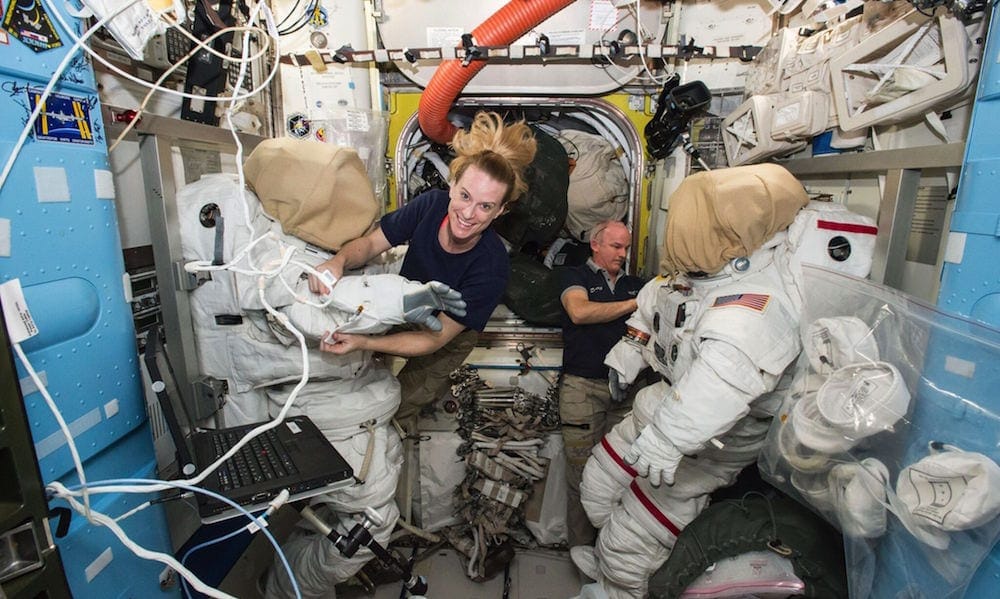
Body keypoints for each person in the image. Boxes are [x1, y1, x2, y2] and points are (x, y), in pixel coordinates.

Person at [308, 111, 537, 430]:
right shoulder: (430, 205)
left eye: (485, 206)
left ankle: (390, 446)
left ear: (501, 211)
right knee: (359, 378)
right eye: (465, 196)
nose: (468, 214)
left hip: (446, 335)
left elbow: (433, 340)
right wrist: (339, 261)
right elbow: (371, 245)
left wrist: (365, 343)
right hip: (405, 305)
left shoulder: (492, 268)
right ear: (453, 184)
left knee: (395, 408)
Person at [557, 219, 643, 551]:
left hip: (626, 393)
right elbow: (579, 312)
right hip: (582, 389)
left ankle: (611, 555)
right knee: (581, 479)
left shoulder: (637, 284)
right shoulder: (574, 277)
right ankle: (582, 556)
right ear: (596, 244)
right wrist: (637, 304)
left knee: (621, 477)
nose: (623, 254)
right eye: (616, 246)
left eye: (626, 247)